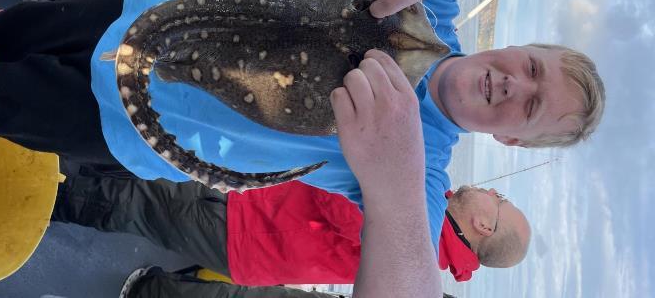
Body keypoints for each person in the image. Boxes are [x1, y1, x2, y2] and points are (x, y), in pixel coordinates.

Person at [0, 0, 605, 298]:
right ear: (519, 47)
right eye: (529, 66)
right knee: (5, 32)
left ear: (512, 139)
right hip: (150, 3)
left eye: (529, 105)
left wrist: (393, 186)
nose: (512, 83)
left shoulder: (417, 166)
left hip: (128, 118)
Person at [52, 174, 530, 293]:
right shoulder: (424, 225)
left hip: (244, 227)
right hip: (251, 218)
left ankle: (44, 200)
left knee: (131, 204)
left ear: (484, 226)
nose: (490, 191)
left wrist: (364, 149)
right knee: (139, 189)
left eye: (499, 200)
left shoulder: (417, 241)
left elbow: (342, 205)